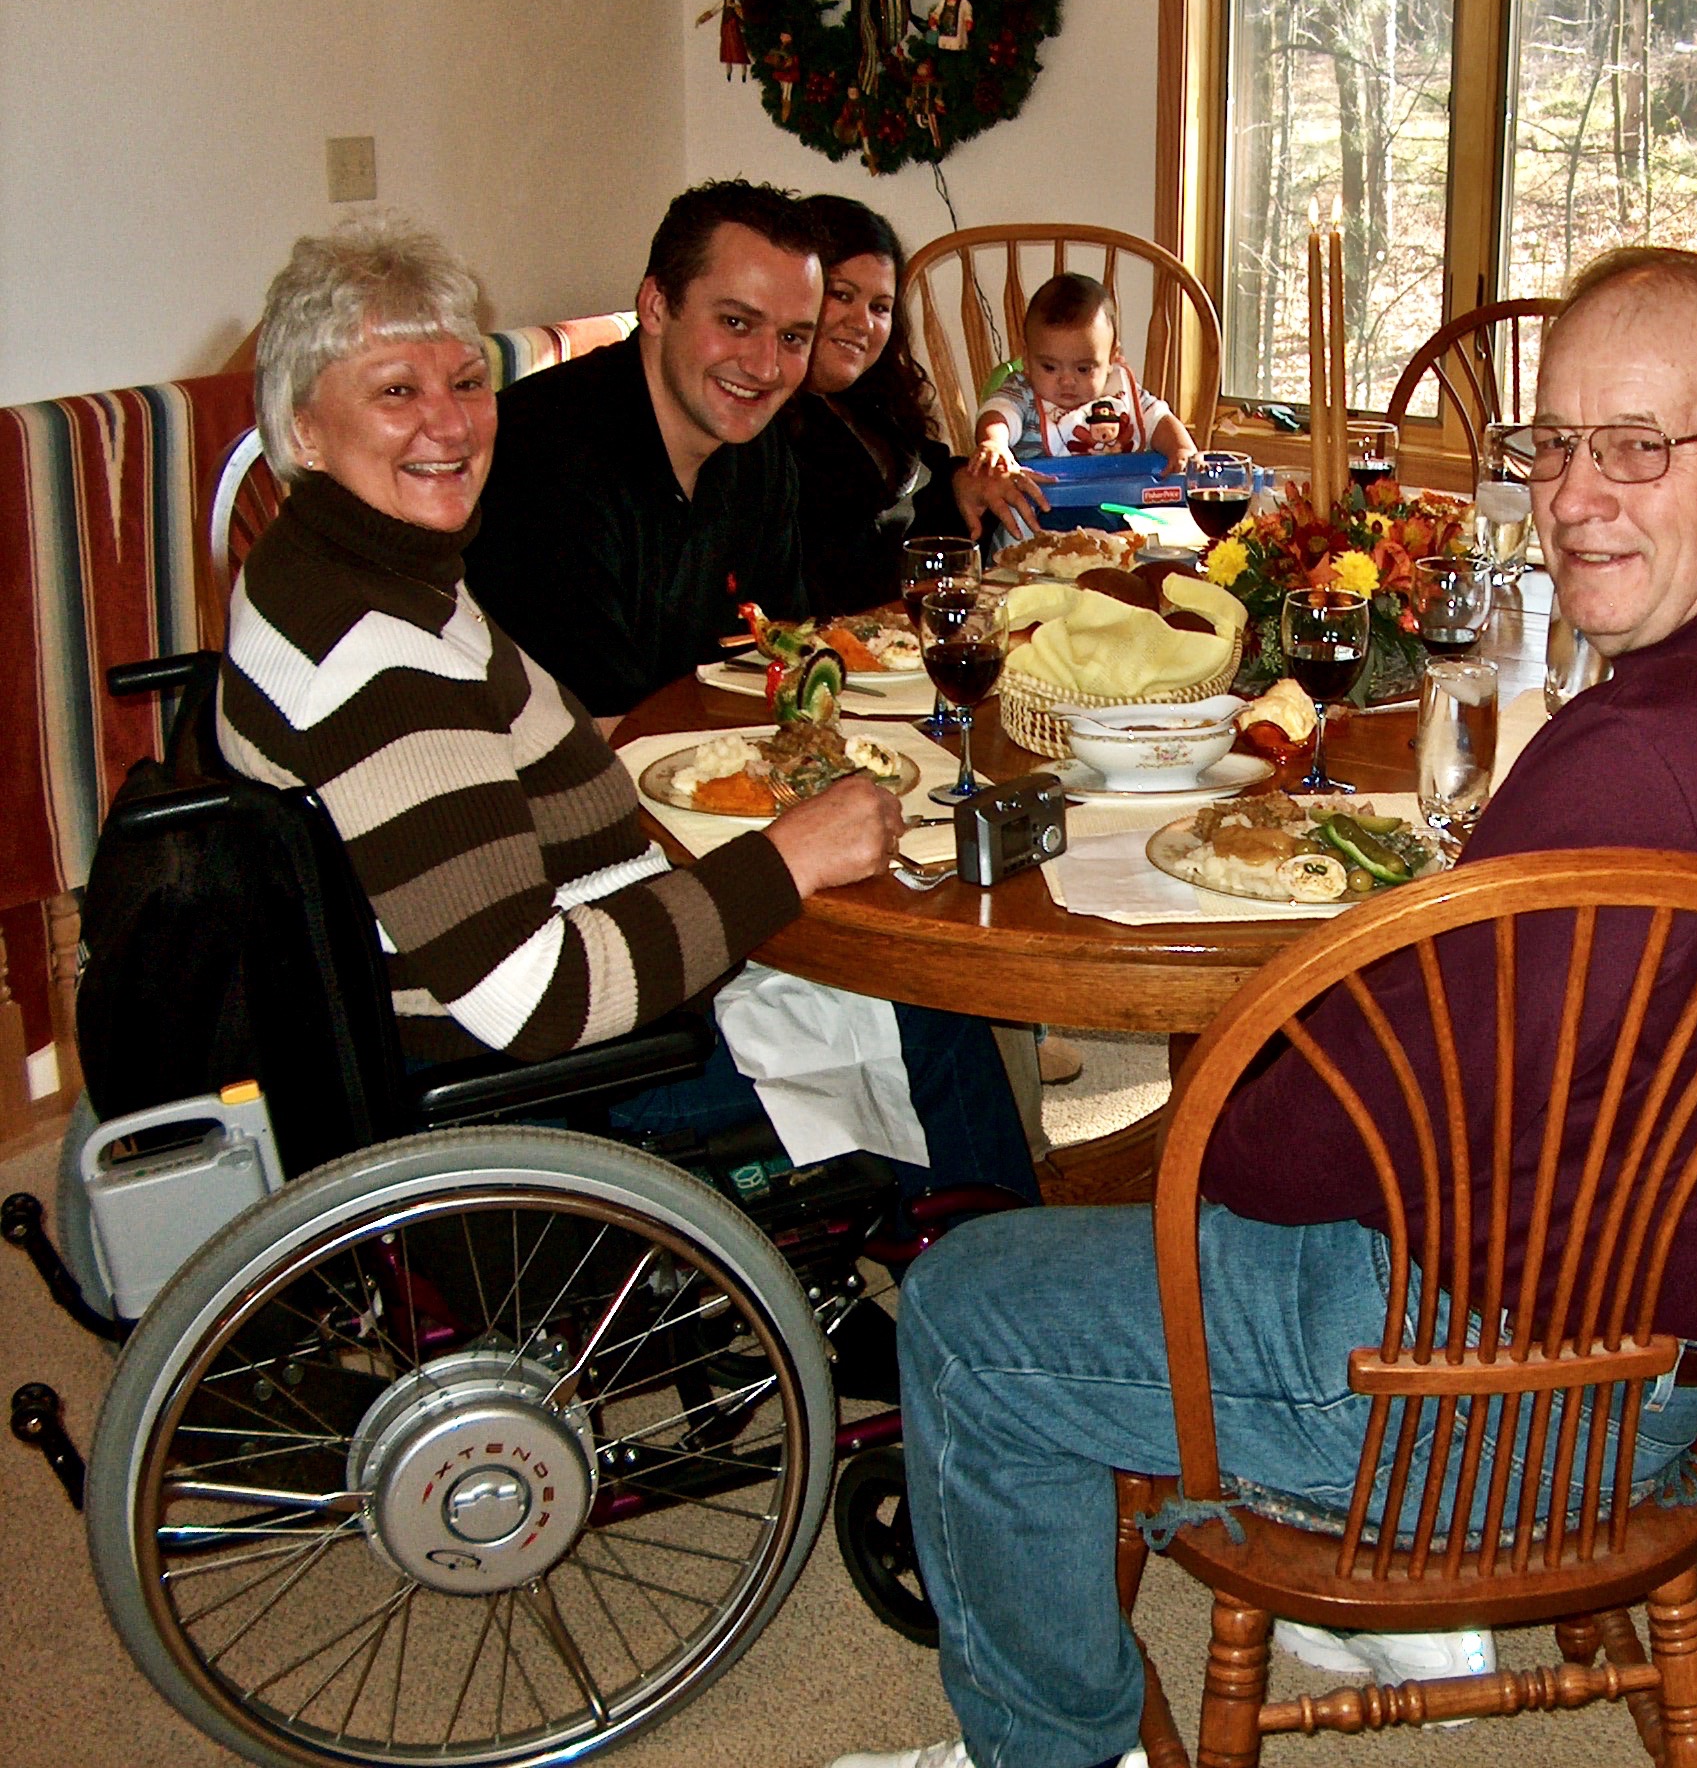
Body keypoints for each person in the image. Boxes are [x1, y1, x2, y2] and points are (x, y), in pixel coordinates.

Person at [831, 249, 1697, 1768]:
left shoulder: (1640, 763)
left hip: (1503, 1386)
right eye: (1553, 444)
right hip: (1692, 1335)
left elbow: (1299, 1145)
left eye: (1638, 447)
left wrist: (1223, 1114)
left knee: (975, 1309)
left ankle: (1049, 1751)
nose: (1575, 497)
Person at [220, 218, 1037, 1201]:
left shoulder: (347, 562)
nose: (450, 423)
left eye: (467, 382)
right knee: (922, 1012)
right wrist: (786, 859)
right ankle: (1010, 1321)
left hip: (539, 957)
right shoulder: (379, 659)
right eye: (397, 390)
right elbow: (540, 995)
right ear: (303, 424)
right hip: (528, 1077)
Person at [466, 179, 824, 721]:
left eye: (793, 338)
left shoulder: (758, 447)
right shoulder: (546, 460)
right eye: (736, 323)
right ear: (655, 307)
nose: (766, 367)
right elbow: (603, 734)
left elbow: (784, 655)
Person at [783, 195, 1046, 612]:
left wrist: (965, 482)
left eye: (880, 307)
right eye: (842, 295)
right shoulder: (771, 430)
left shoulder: (871, 403)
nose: (863, 322)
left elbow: (925, 480)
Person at [970, 272, 1199, 474]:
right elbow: (999, 413)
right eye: (1049, 367)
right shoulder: (1024, 395)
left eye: (1083, 369)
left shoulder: (1119, 393)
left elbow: (1159, 419)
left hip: (1121, 501)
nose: (1067, 381)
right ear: (1027, 359)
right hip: (1044, 508)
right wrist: (994, 443)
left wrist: (1182, 449)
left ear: (1111, 358)